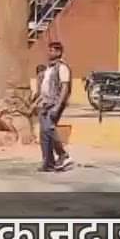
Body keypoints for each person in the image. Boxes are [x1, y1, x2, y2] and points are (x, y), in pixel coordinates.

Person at [36, 41, 72, 172]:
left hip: (54, 104)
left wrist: (58, 106)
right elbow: (44, 88)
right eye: (49, 50)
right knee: (44, 134)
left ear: (58, 52)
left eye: (52, 50)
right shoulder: (49, 68)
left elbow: (65, 88)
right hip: (45, 104)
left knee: (49, 128)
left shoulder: (62, 67)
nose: (49, 53)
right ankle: (48, 163)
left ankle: (63, 154)